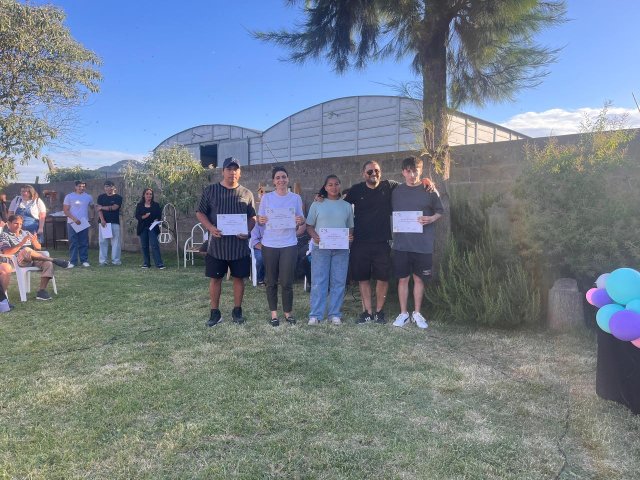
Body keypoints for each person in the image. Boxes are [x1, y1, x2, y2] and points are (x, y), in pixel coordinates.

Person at [343, 160, 435, 325]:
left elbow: (410, 184)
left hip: (382, 242)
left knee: (382, 278)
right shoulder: (356, 190)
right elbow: (340, 207)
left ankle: (379, 312)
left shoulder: (389, 186)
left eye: (377, 171)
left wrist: (425, 181)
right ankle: (367, 312)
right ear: (363, 174)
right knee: (363, 279)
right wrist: (322, 193)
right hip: (360, 242)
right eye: (370, 171)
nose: (374, 174)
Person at [196, 157, 256, 327]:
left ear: (240, 172)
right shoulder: (211, 191)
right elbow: (200, 212)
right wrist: (210, 228)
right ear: (222, 171)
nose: (232, 172)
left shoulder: (247, 193)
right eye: (229, 169)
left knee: (239, 279)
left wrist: (247, 230)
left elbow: (252, 217)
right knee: (215, 279)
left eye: (236, 169)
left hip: (239, 247)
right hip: (217, 247)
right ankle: (215, 313)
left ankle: (237, 311)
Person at [391, 156, 443, 329]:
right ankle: (403, 314)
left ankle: (417, 313)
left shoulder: (429, 189)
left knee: (419, 279)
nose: (412, 175)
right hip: (402, 244)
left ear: (420, 171)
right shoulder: (396, 191)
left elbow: (440, 211)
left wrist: (431, 218)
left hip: (423, 245)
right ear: (403, 172)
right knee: (403, 280)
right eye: (408, 171)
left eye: (415, 171)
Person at [256, 166, 305, 326]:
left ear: (288, 179)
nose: (281, 180)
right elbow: (260, 220)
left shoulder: (296, 198)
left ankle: (288, 313)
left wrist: (300, 221)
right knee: (271, 281)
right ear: (273, 181)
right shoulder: (267, 198)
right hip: (270, 244)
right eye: (278, 177)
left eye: (284, 177)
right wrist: (260, 220)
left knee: (287, 281)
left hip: (289, 244)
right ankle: (274, 314)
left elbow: (301, 220)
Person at [306, 175, 354, 325]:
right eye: (330, 185)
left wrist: (349, 237)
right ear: (325, 187)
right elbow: (309, 225)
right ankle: (316, 315)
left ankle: (334, 314)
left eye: (336, 184)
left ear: (340, 186)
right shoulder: (317, 204)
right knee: (319, 281)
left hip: (341, 249)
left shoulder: (346, 206)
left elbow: (350, 227)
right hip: (321, 248)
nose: (334, 187)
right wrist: (314, 236)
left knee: (338, 282)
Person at [0, 215, 71, 301]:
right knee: (26, 250)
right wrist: (22, 243)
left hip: (31, 258)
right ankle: (54, 259)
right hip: (16, 260)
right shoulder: (4, 235)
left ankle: (41, 291)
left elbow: (38, 248)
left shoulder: (26, 233)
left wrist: (34, 242)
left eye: (20, 224)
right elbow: (6, 252)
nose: (18, 226)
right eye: (16, 223)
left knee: (48, 264)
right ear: (8, 223)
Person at [63, 180, 94, 267]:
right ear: (75, 187)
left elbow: (92, 207)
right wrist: (74, 219)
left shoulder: (88, 197)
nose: (81, 188)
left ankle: (84, 260)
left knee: (83, 242)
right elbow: (65, 210)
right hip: (72, 222)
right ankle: (73, 262)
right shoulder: (69, 196)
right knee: (73, 242)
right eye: (79, 186)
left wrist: (92, 217)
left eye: (83, 186)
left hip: (84, 222)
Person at [134, 188, 164, 269]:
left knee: (154, 245)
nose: (149, 195)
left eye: (150, 194)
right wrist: (144, 216)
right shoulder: (140, 205)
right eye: (147, 194)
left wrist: (157, 219)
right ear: (144, 195)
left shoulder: (156, 205)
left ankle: (159, 264)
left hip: (153, 227)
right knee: (144, 246)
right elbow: (137, 216)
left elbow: (159, 215)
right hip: (143, 227)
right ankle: (146, 263)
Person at [96, 180, 123, 266]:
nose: (108, 188)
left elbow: (114, 207)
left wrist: (102, 207)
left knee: (115, 242)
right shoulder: (101, 197)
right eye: (106, 186)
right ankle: (103, 261)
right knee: (103, 242)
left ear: (113, 187)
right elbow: (98, 210)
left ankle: (116, 261)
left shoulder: (118, 197)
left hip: (114, 222)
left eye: (110, 186)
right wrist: (102, 220)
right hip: (103, 222)